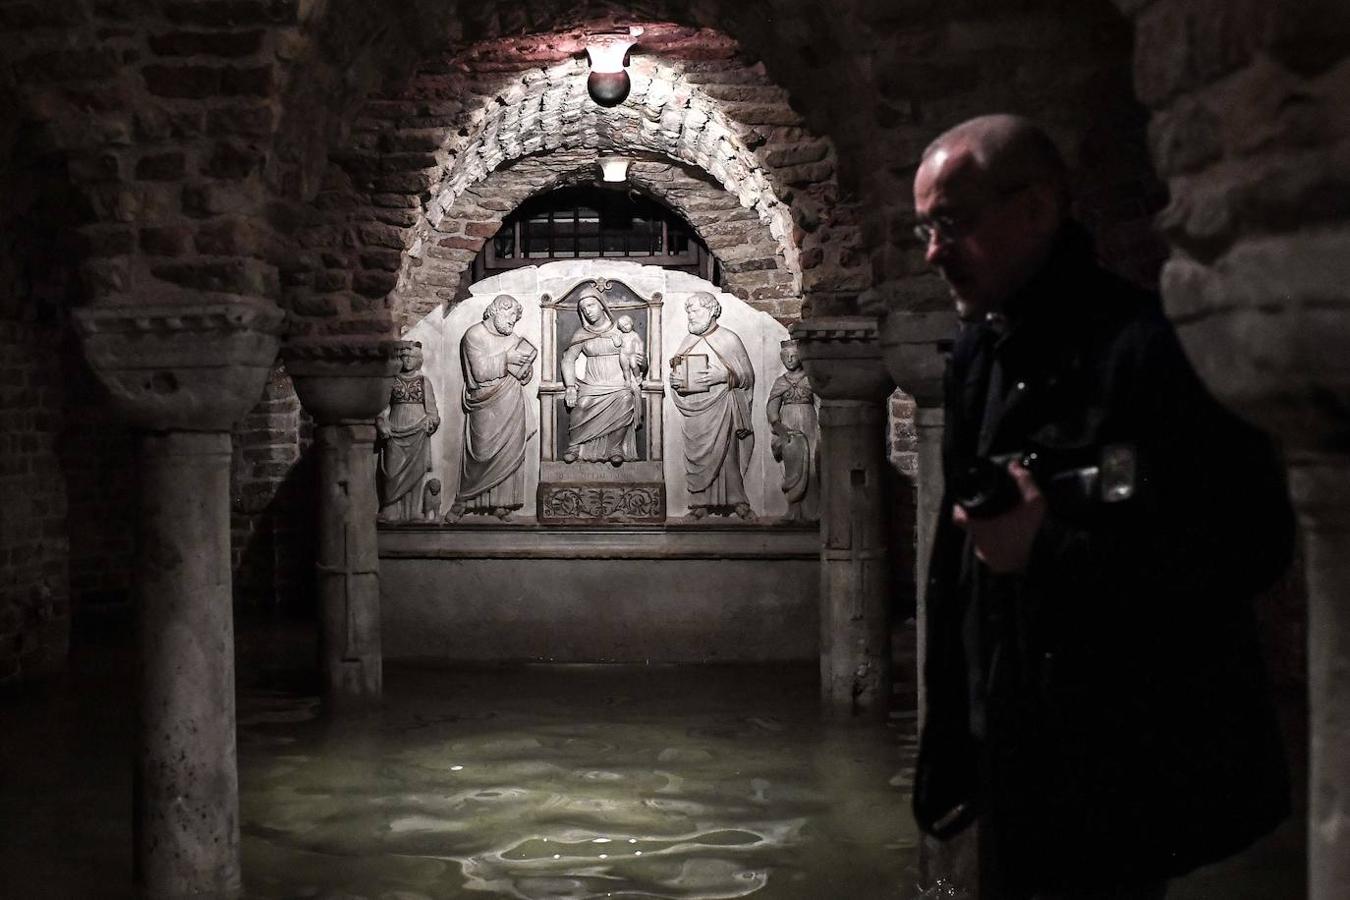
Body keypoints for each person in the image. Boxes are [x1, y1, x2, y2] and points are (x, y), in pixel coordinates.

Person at [909, 114, 1296, 899]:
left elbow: (1250, 547)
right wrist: (950, 746)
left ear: (1038, 208)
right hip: (1010, 747)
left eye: (952, 223)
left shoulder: (1151, 350)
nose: (933, 252)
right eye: (924, 229)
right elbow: (959, 571)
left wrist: (1044, 548)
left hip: (1118, 764)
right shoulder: (980, 356)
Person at [669, 291, 756, 519]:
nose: (691, 316)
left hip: (723, 407)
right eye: (688, 312)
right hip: (695, 411)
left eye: (695, 311)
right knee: (698, 457)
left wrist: (724, 376)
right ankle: (699, 504)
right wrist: (675, 381)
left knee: (727, 455)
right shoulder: (688, 341)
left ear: (712, 311)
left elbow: (747, 376)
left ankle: (738, 501)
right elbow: (676, 370)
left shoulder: (729, 339)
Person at [451, 294, 536, 520]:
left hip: (511, 400)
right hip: (485, 401)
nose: (512, 323)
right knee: (482, 452)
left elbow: (522, 375)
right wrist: (507, 359)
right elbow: (479, 372)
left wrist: (526, 371)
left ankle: (502, 504)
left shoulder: (514, 338)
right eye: (510, 318)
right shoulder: (474, 335)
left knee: (509, 452)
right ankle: (465, 500)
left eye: (516, 320)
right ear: (498, 310)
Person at [561, 290, 643, 464]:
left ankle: (616, 447)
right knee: (582, 404)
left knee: (625, 399)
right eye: (583, 309)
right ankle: (575, 445)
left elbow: (635, 349)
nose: (587, 311)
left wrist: (642, 360)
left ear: (601, 305)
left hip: (618, 381)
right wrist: (569, 386)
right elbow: (568, 360)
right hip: (592, 382)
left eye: (590, 305)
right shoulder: (582, 334)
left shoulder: (619, 329)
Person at [376, 342, 439, 523]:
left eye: (411, 357)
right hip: (394, 429)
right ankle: (390, 509)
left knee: (416, 472)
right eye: (404, 356)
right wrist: (382, 423)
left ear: (419, 359)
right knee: (391, 471)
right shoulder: (391, 380)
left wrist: (431, 422)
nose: (407, 360)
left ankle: (413, 511)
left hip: (418, 429)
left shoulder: (423, 381)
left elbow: (433, 411)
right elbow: (381, 407)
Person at [766, 339, 819, 522]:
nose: (790, 359)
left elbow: (820, 404)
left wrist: (822, 427)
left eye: (794, 356)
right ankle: (793, 510)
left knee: (812, 464)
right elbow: (772, 409)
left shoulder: (810, 379)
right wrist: (779, 428)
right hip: (788, 424)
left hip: (809, 421)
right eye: (786, 356)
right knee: (793, 467)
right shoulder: (781, 382)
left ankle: (813, 512)